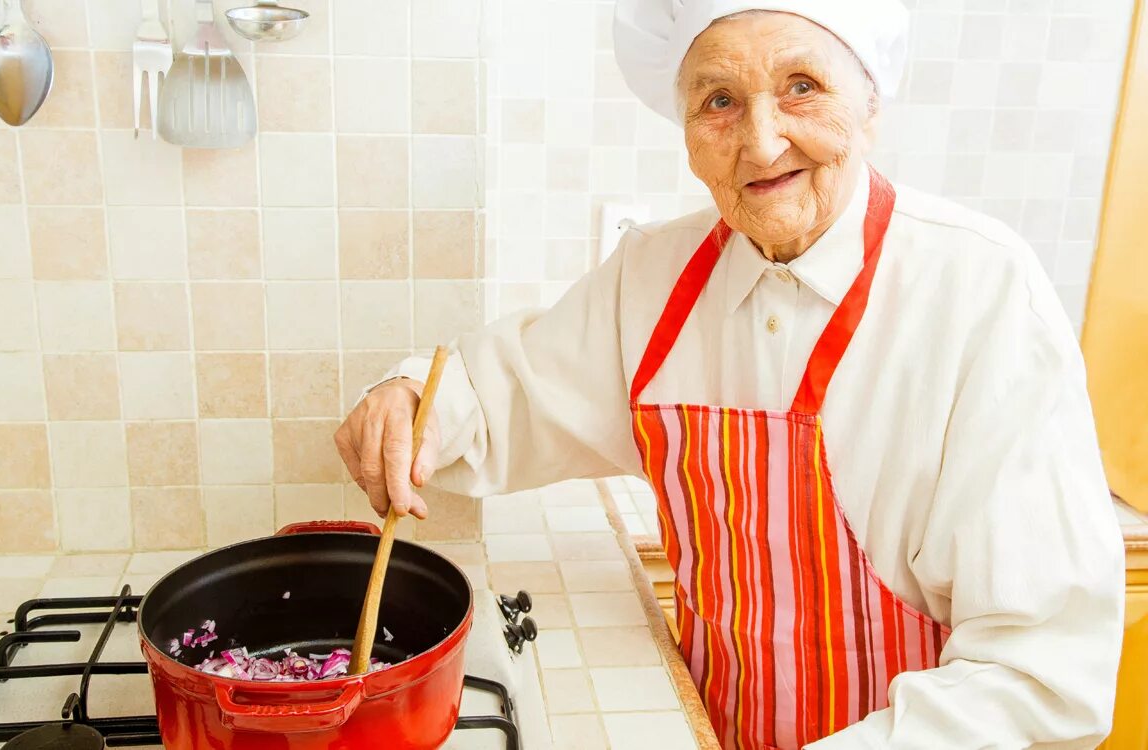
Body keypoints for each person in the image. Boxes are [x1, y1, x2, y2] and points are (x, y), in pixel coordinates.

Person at [335, 1, 1125, 746]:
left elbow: (1040, 679)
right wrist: (409, 399)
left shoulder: (980, 292)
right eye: (719, 100)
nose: (761, 141)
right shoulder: (653, 275)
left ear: (871, 106)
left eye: (802, 88)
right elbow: (508, 395)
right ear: (684, 130)